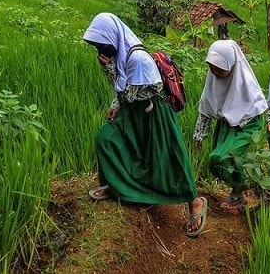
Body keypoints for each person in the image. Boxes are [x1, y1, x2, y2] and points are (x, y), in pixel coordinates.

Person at [83, 12, 208, 238]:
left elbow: (132, 93)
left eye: (102, 45)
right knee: (107, 139)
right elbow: (122, 89)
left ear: (114, 38)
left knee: (168, 156)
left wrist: (109, 70)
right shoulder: (120, 55)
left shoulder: (137, 58)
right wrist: (115, 105)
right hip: (133, 112)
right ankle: (116, 184)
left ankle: (194, 202)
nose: (100, 51)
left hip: (153, 114)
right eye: (96, 46)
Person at [194, 39, 267, 214]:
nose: (215, 72)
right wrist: (199, 134)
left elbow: (256, 108)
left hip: (247, 125)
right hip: (226, 126)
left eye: (220, 68)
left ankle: (245, 190)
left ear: (232, 65)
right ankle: (238, 192)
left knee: (222, 157)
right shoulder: (213, 79)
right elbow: (205, 106)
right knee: (218, 162)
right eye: (212, 68)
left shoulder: (245, 82)